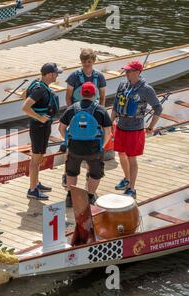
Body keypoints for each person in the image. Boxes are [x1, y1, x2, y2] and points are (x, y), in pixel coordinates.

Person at [111, 61, 163, 199]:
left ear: (137, 72)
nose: (126, 73)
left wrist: (151, 126)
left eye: (129, 71)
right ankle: (126, 178)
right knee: (121, 154)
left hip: (135, 129)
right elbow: (116, 106)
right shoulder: (122, 85)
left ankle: (131, 188)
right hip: (121, 126)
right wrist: (110, 123)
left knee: (131, 158)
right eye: (126, 71)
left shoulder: (146, 89)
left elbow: (158, 108)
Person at [59, 82, 112, 207]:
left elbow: (61, 128)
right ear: (94, 94)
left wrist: (68, 140)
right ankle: (90, 196)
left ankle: (70, 198)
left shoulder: (72, 108)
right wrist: (102, 146)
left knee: (71, 172)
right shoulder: (100, 110)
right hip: (93, 149)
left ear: (81, 93)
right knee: (95, 173)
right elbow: (108, 131)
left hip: (74, 148)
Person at [62, 48, 108, 188]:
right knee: (71, 145)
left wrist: (101, 115)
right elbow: (68, 96)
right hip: (77, 114)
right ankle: (66, 174)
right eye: (84, 62)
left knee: (94, 143)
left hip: (94, 115)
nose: (86, 64)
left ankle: (90, 173)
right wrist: (72, 115)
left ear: (93, 61)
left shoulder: (99, 77)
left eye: (89, 62)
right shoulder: (74, 76)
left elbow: (102, 97)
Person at [22, 63, 62, 200]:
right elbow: (25, 107)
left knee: (38, 157)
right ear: (50, 74)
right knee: (36, 158)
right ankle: (32, 189)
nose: (57, 76)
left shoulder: (37, 83)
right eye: (56, 73)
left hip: (41, 126)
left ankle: (36, 183)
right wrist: (39, 117)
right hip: (39, 127)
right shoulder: (40, 90)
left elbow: (24, 94)